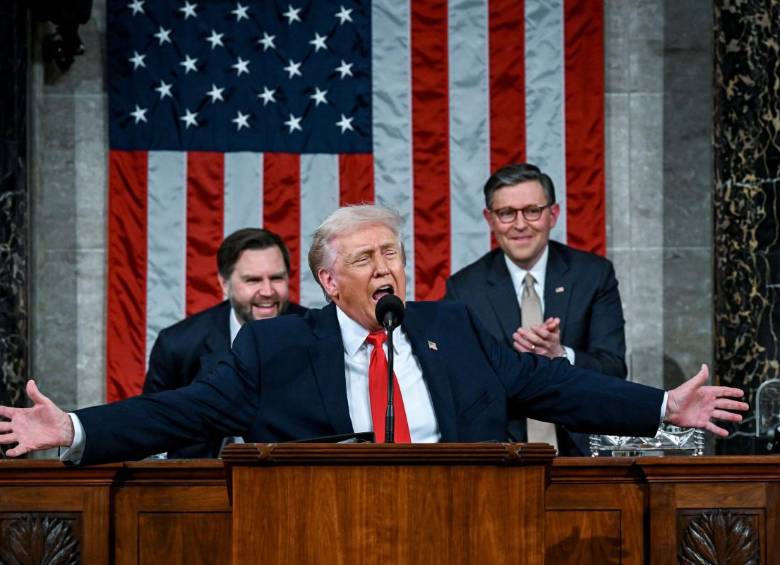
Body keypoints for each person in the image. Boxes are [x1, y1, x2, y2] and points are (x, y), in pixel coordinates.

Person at [0, 205, 747, 465]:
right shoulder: (276, 346)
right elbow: (180, 411)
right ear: (331, 282)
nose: (385, 267)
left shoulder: (453, 326)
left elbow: (552, 386)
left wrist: (661, 406)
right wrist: (73, 428)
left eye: (392, 254)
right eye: (365, 259)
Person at [446, 163, 625, 455]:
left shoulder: (593, 275)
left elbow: (614, 368)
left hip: (583, 452)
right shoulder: (464, 289)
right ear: (490, 219)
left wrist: (560, 356)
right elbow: (458, 384)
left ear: (553, 214)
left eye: (532, 211)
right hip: (501, 453)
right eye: (506, 213)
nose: (520, 225)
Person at [144, 228, 308, 458]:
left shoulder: (317, 334)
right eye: (253, 280)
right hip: (202, 475)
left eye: (277, 278)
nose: (267, 291)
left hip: (292, 472)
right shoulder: (178, 344)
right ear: (224, 283)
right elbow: (152, 428)